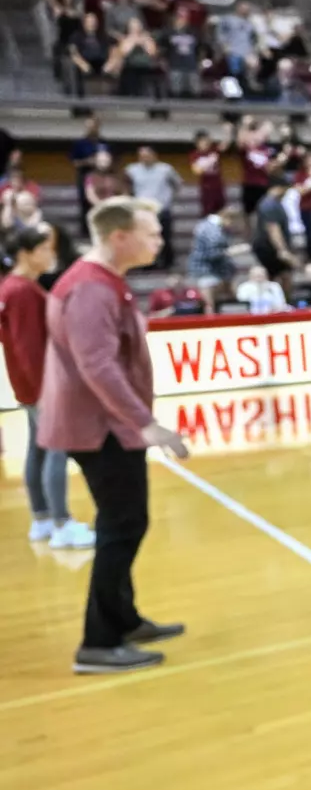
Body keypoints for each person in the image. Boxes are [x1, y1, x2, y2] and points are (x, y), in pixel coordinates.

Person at [40, 197, 190, 674]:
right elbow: (98, 366)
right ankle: (99, 643)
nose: (160, 240)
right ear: (119, 237)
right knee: (121, 527)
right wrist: (144, 422)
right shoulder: (90, 289)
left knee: (125, 522)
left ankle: (123, 618)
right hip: (100, 428)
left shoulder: (102, 281)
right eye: (151, 232)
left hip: (104, 425)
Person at [1, 226, 94, 549]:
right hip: (43, 386)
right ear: (25, 253)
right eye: (43, 249)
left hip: (28, 385)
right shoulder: (22, 291)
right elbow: (28, 348)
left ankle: (41, 519)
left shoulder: (11, 288)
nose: (50, 254)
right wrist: (47, 392)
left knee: (37, 449)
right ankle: (61, 524)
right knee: (57, 450)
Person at [125, 146, 182, 270]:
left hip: (162, 208)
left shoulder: (165, 169)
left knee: (164, 237)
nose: (145, 158)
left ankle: (168, 262)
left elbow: (177, 184)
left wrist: (170, 198)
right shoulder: (132, 170)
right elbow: (126, 186)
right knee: (145, 238)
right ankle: (148, 263)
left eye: (147, 156)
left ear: (154, 156)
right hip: (143, 210)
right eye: (142, 156)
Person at [187, 207, 238, 312]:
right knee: (209, 305)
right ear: (227, 218)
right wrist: (230, 252)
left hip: (213, 270)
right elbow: (212, 253)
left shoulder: (209, 225)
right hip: (206, 270)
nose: (232, 226)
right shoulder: (211, 229)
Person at [250, 171, 297, 284]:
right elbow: (273, 228)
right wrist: (282, 250)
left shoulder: (273, 203)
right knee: (284, 276)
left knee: (278, 276)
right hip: (269, 248)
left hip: (270, 246)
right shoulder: (269, 205)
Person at [190, 130, 226, 216]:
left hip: (218, 186)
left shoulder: (214, 151)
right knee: (208, 211)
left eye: (207, 141)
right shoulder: (194, 155)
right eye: (203, 141)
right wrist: (210, 161)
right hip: (206, 188)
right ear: (197, 143)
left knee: (221, 210)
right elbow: (197, 171)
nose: (206, 143)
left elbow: (224, 145)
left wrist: (227, 131)